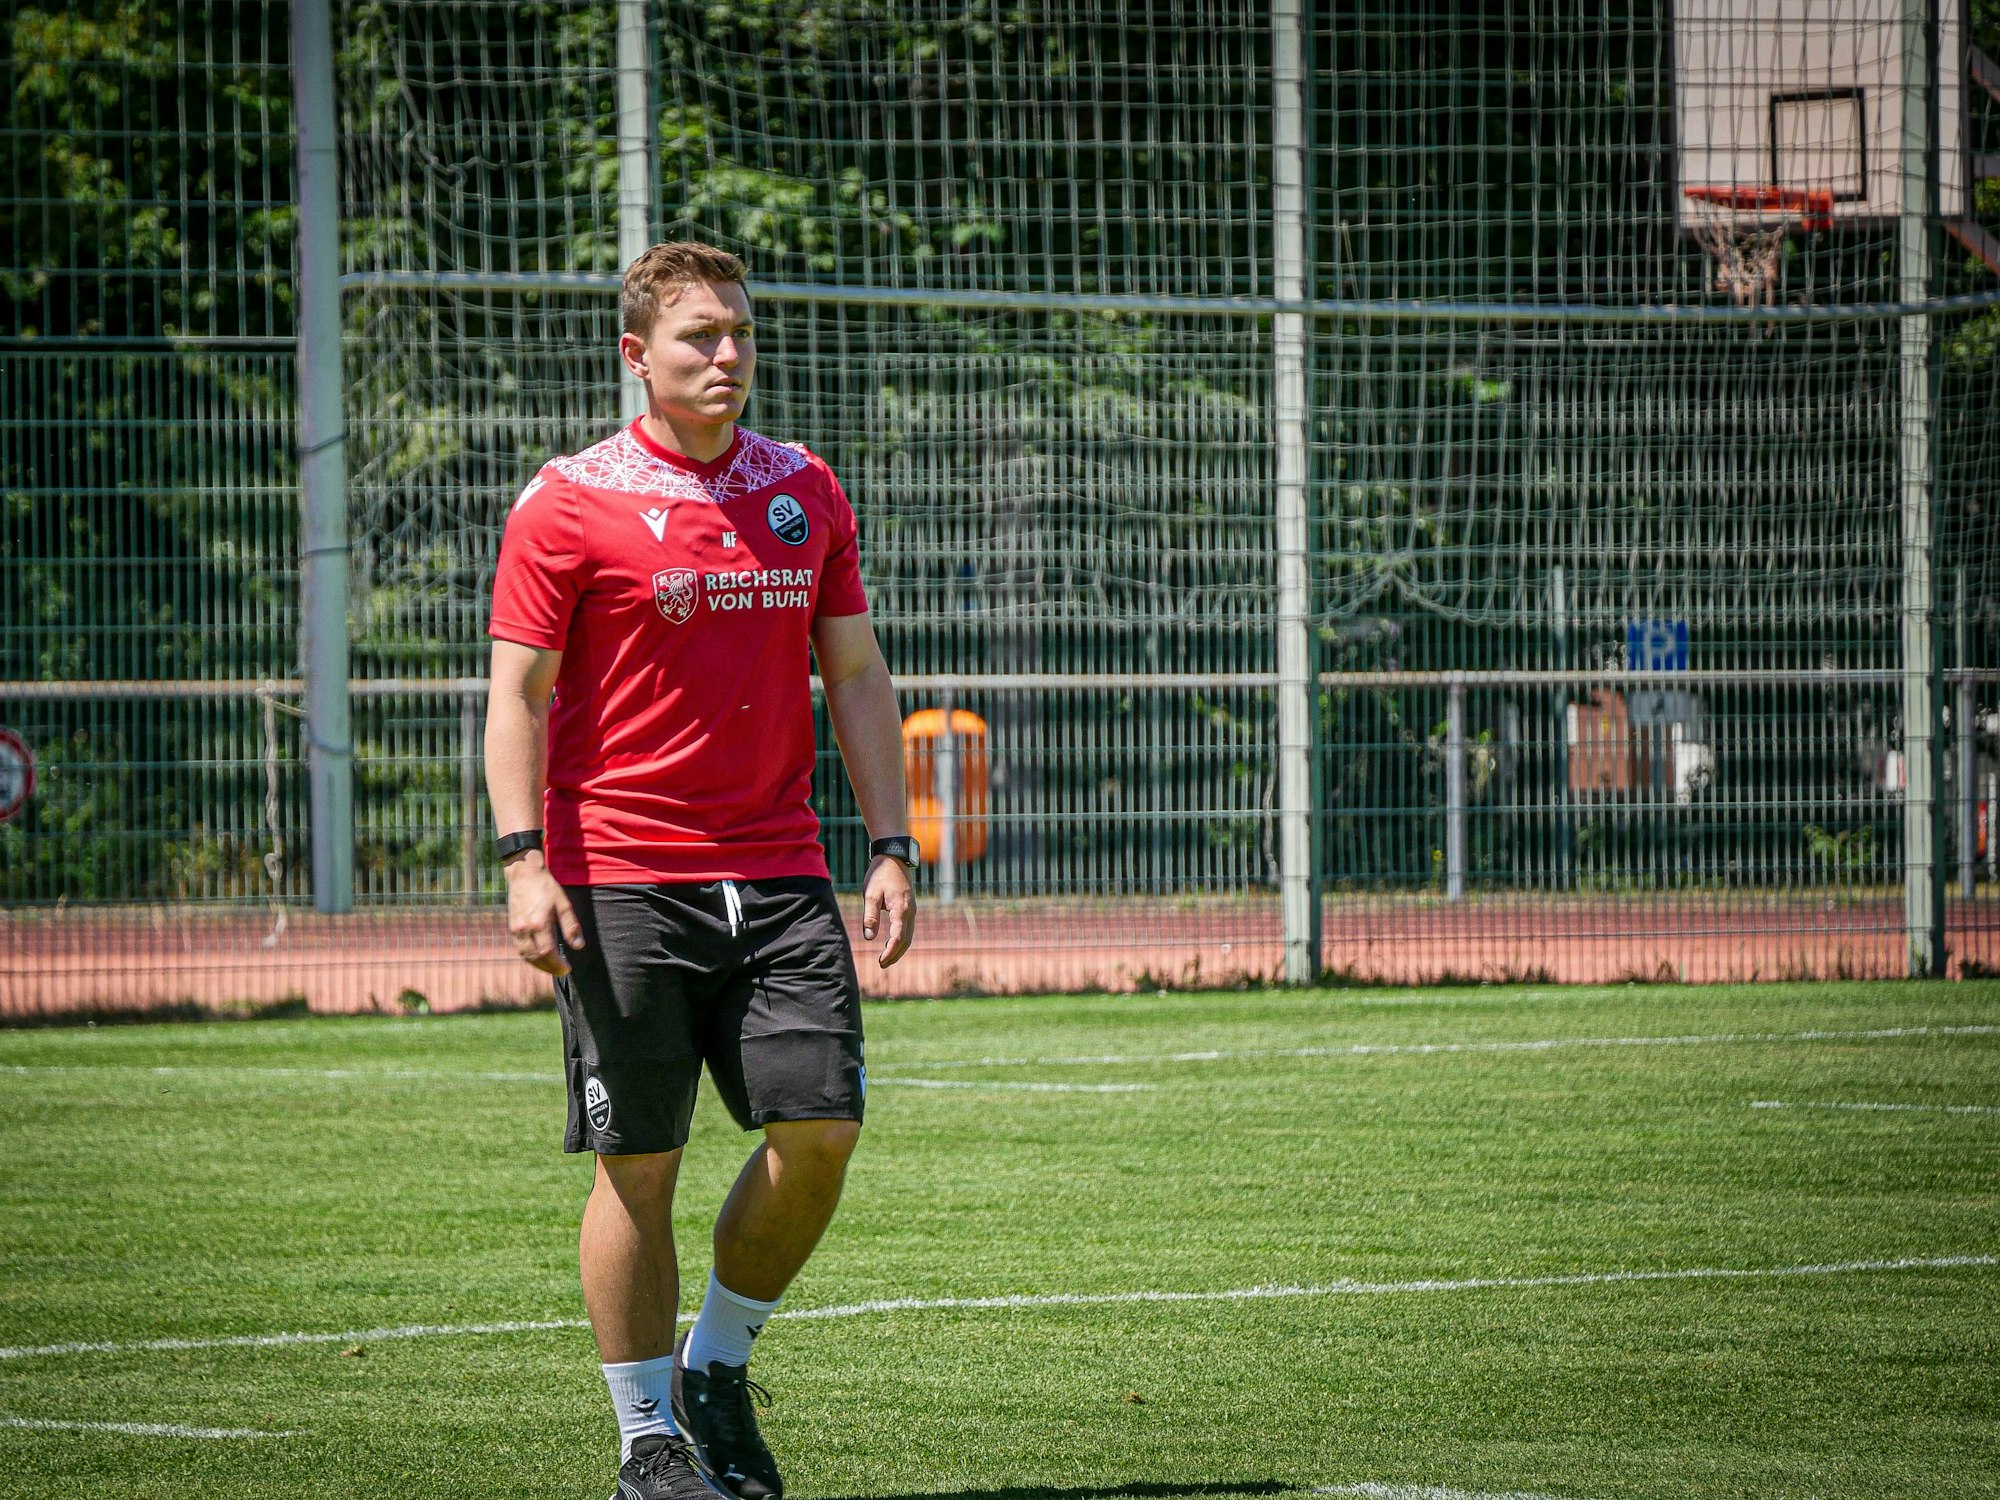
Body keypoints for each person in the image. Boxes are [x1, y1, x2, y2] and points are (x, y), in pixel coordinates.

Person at [484, 240, 918, 1500]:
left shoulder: (805, 488)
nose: (724, 355)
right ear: (637, 355)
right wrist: (523, 862)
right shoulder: (567, 499)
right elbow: (515, 695)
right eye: (696, 338)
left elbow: (853, 673)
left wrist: (890, 843)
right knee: (643, 1162)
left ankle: (714, 1368)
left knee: (820, 1128)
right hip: (618, 873)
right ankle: (647, 1443)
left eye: (736, 332)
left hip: (780, 868)